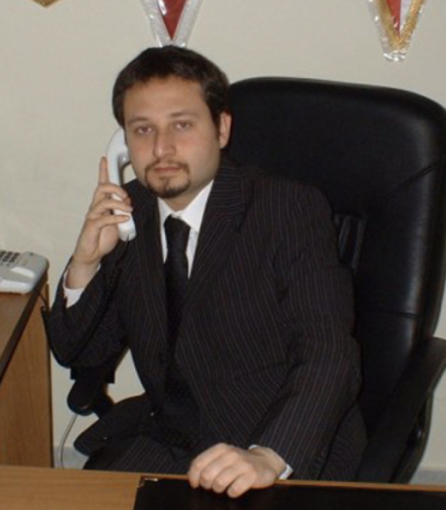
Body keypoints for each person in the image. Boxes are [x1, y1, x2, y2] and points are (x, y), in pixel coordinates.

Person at [45, 46, 366, 498]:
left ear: (222, 128)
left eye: (182, 125)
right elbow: (78, 352)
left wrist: (268, 455)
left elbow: (329, 352)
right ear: (123, 143)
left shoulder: (287, 209)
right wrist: (86, 262)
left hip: (280, 443)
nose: (161, 148)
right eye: (143, 129)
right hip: (172, 439)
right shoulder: (129, 213)